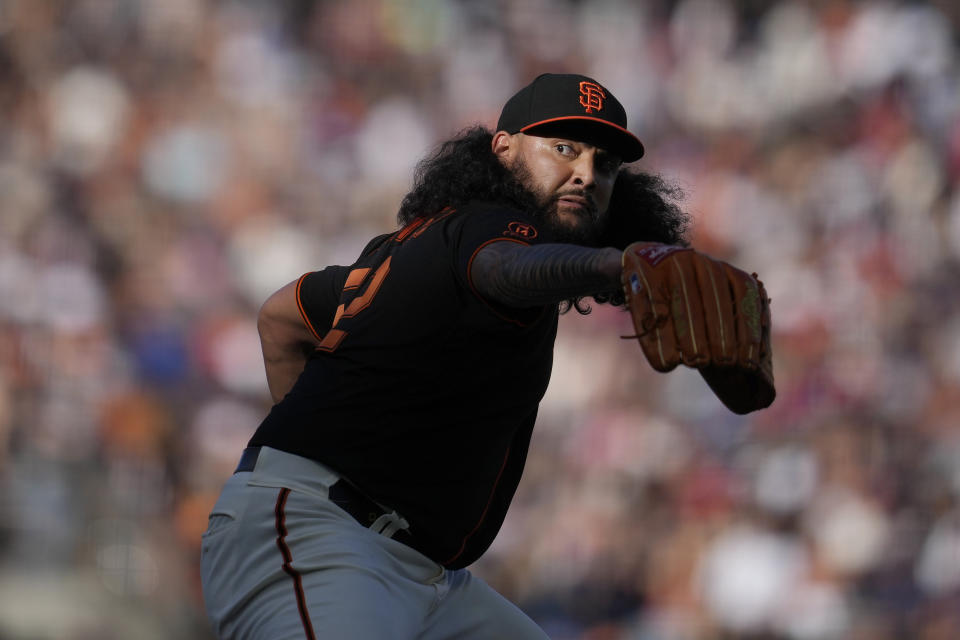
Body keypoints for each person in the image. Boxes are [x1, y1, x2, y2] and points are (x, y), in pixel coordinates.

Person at [200, 73, 695, 639]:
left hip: (424, 575)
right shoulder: (488, 228)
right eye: (563, 147)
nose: (585, 172)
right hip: (321, 535)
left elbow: (281, 317)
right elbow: (505, 267)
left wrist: (325, 433)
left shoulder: (428, 253)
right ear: (503, 148)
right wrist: (612, 264)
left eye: (604, 163)